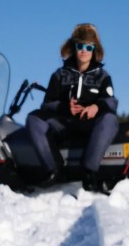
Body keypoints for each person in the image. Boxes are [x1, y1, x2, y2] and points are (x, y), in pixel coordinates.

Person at [26, 23, 119, 193]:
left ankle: (89, 172)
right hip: (64, 123)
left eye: (88, 47)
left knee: (110, 119)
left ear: (94, 50)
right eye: (80, 45)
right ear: (73, 47)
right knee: (33, 119)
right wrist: (63, 107)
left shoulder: (103, 76)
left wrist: (96, 107)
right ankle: (54, 170)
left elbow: (111, 102)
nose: (84, 50)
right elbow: (47, 104)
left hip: (89, 124)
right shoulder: (59, 75)